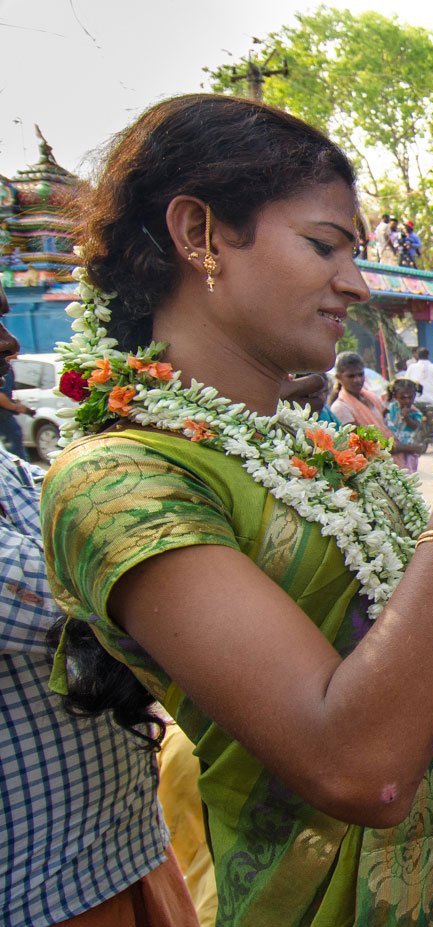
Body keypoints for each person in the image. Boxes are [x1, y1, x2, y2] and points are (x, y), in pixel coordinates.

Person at [38, 93, 433, 925]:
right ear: (199, 235)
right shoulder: (115, 480)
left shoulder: (323, 455)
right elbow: (363, 766)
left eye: (356, 253)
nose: (356, 285)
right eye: (324, 245)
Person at [0, 284, 197, 927]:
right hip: (44, 889)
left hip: (125, 848)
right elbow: (94, 597)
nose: (8, 346)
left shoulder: (10, 468)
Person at [330, 350, 391, 431]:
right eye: (351, 376)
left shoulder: (372, 398)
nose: (357, 380)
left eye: (360, 374)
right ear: (339, 377)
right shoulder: (340, 408)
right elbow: (359, 440)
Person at [385, 377, 427, 472]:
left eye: (410, 397)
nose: (407, 401)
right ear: (395, 396)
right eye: (403, 398)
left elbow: (415, 426)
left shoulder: (415, 412)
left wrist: (407, 417)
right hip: (392, 444)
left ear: (414, 396)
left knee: (408, 472)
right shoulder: (391, 408)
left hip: (408, 446)